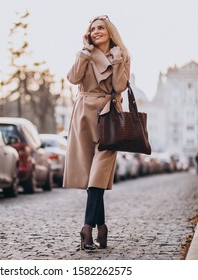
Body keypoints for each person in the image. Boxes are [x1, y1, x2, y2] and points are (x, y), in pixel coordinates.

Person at [63, 15, 130, 250]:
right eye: (93, 29)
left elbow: (120, 86)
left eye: (101, 28)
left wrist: (118, 60)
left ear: (110, 31)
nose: (97, 31)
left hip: (109, 117)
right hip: (84, 116)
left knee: (97, 176)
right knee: (94, 178)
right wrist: (84, 52)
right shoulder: (85, 54)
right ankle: (102, 229)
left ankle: (87, 229)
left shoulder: (122, 55)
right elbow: (73, 78)